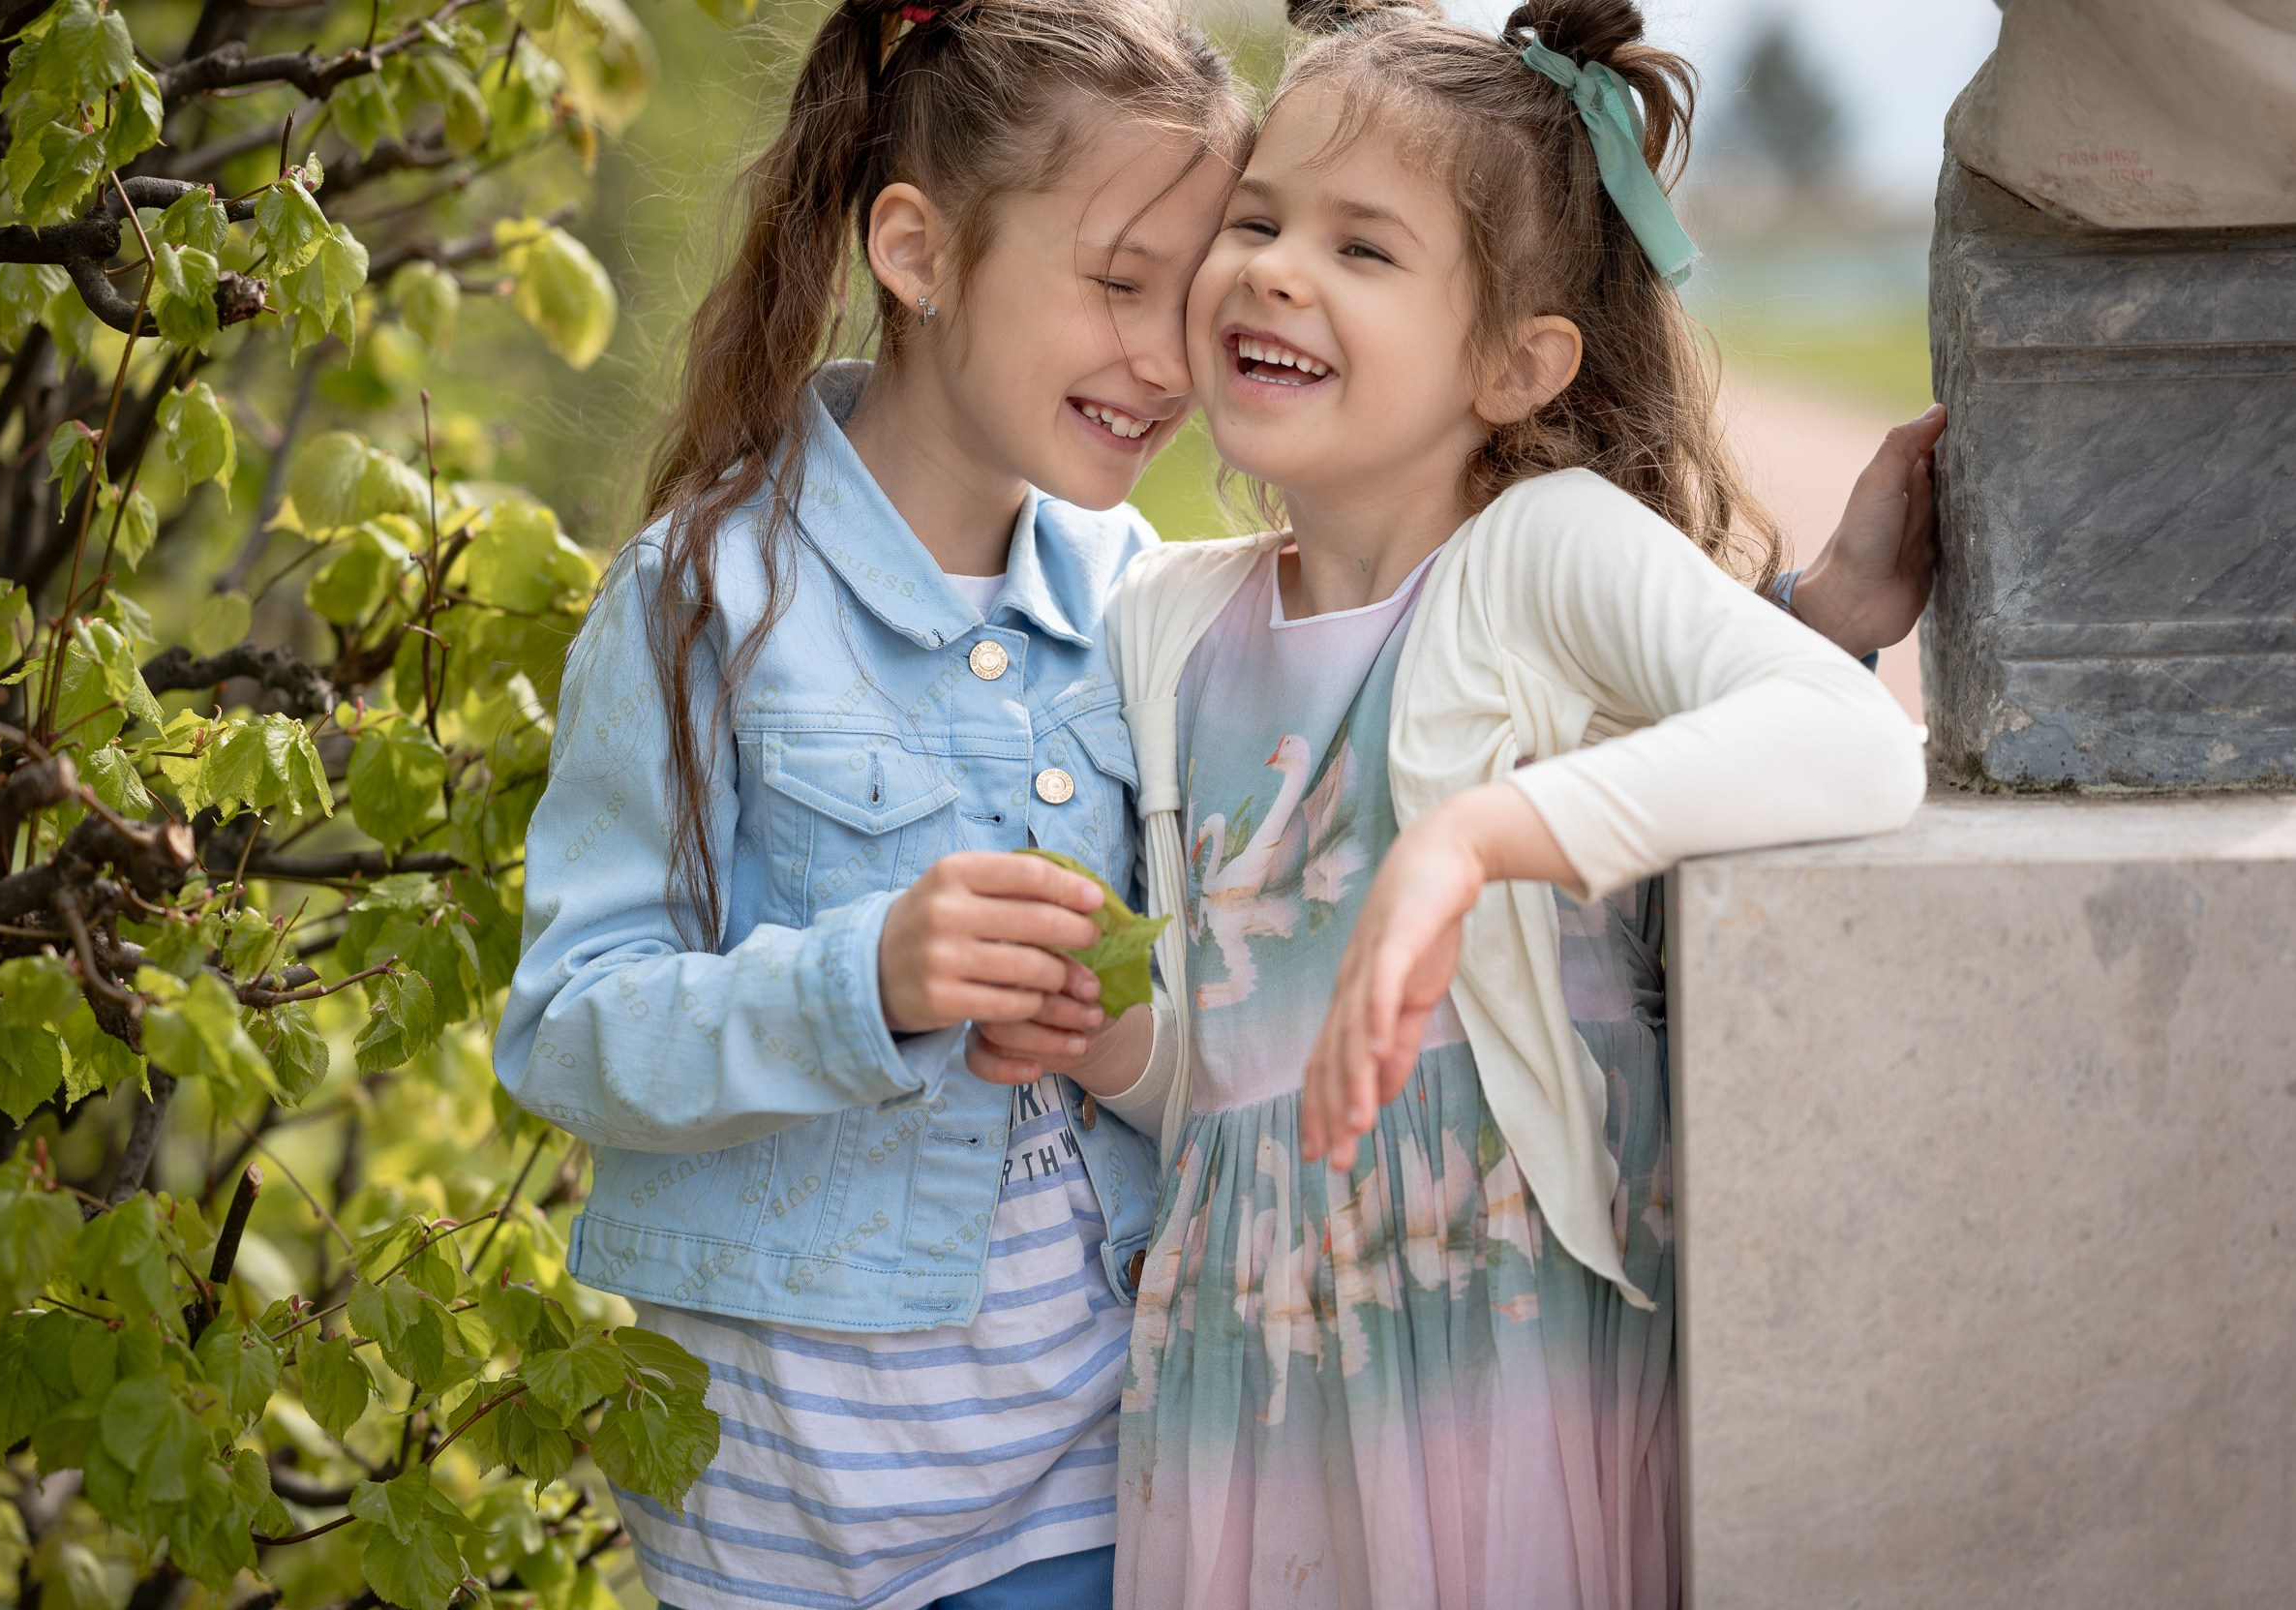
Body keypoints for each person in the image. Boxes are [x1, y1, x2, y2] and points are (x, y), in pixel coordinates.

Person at [498, 1, 1935, 1606]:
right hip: (955, 1481)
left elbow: (1561, 720)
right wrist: (928, 992)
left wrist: (1805, 629)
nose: (1192, 322)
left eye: (1183, 287)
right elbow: (575, 1032)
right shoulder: (898, 611)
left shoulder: (1208, 595)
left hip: (1240, 1453)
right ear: (916, 251)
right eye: (1152, 269)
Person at [1001, 2, 1926, 1606]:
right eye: (1260, 220)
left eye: (1365, 249)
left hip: (1495, 1385)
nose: (1279, 269)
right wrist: (1108, 1043)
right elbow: (1247, 1093)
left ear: (1515, 361)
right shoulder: (1169, 629)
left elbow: (1853, 743)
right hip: (1250, 1401)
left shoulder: (1539, 550)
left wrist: (1479, 836)